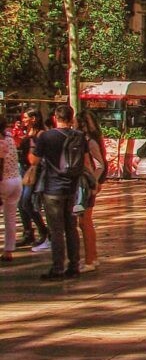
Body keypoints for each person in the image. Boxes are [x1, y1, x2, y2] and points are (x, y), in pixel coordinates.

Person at [30, 104, 93, 280]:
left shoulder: (46, 137)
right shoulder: (80, 137)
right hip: (72, 189)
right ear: (71, 118)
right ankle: (74, 266)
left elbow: (34, 160)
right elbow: (86, 164)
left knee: (56, 230)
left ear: (55, 118)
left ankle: (57, 268)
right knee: (71, 228)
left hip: (52, 189)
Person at [76, 110, 107, 273]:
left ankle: (90, 259)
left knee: (84, 221)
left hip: (85, 187)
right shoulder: (92, 140)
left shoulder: (89, 142)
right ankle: (92, 257)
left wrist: (92, 182)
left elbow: (100, 164)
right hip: (87, 186)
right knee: (84, 221)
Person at [17, 110, 47, 247]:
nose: (23, 120)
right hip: (23, 169)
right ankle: (28, 232)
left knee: (26, 201)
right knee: (21, 202)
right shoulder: (27, 132)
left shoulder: (40, 134)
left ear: (33, 118)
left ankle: (43, 231)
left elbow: (36, 156)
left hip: (33, 170)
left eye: (26, 117)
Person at [0, 118, 20, 263]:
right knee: (10, 217)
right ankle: (8, 250)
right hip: (16, 180)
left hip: (3, 181)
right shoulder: (10, 138)